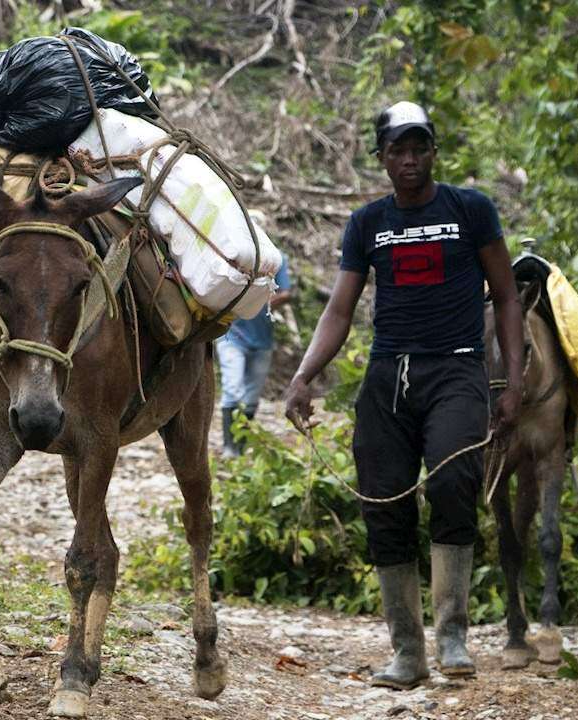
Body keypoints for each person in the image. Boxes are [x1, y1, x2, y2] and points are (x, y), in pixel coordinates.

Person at [283, 101, 524, 688]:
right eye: (398, 149)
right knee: (383, 502)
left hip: (457, 371)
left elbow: (507, 296)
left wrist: (513, 381)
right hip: (389, 376)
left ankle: (452, 635)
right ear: (383, 157)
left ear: (433, 152)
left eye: (419, 148)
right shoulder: (367, 223)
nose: (409, 159)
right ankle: (407, 651)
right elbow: (340, 310)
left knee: (451, 483)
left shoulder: (470, 209)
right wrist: (304, 375)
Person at [216, 256, 292, 458]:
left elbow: (285, 293)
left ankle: (240, 445)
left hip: (262, 338)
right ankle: (229, 448)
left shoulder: (277, 259)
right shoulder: (234, 254)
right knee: (232, 388)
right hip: (231, 336)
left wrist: (258, 302)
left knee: (251, 397)